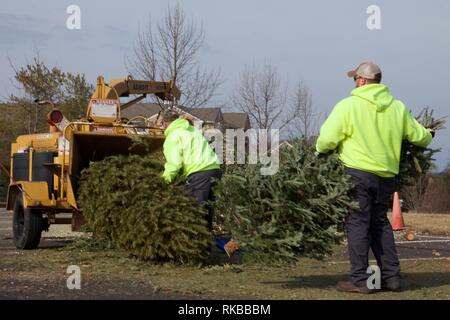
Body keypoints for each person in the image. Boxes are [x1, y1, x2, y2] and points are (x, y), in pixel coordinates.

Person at [315, 62, 433, 294]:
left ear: (361, 80)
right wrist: (429, 134)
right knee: (380, 222)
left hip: (356, 173)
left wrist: (318, 151)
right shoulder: (397, 107)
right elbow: (420, 137)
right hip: (386, 176)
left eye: (354, 79)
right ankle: (391, 277)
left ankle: (359, 280)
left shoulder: (348, 106)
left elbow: (327, 139)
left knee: (358, 223)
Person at [161, 110, 238, 256]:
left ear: (165, 124)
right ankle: (206, 248)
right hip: (214, 171)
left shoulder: (173, 136)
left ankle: (195, 250)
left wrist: (163, 181)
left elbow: (174, 164)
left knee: (194, 211)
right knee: (207, 210)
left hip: (199, 173)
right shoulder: (192, 131)